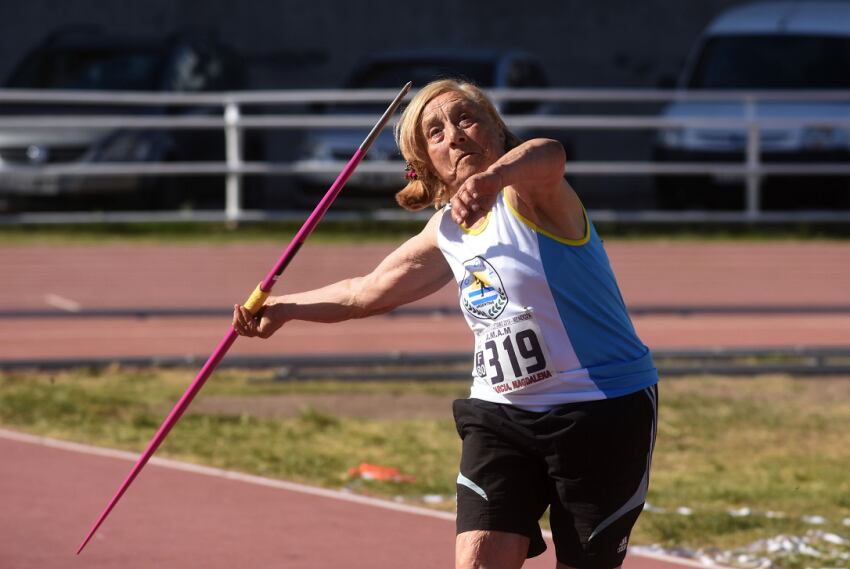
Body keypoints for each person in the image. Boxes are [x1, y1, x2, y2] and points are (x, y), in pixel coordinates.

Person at [232, 79, 658, 569]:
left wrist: (493, 179)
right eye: (435, 132)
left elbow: (549, 153)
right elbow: (364, 291)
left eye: (466, 118)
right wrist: (284, 308)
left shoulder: (531, 193)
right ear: (427, 160)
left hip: (602, 407)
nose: (454, 135)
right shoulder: (446, 230)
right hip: (502, 414)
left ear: (497, 131)